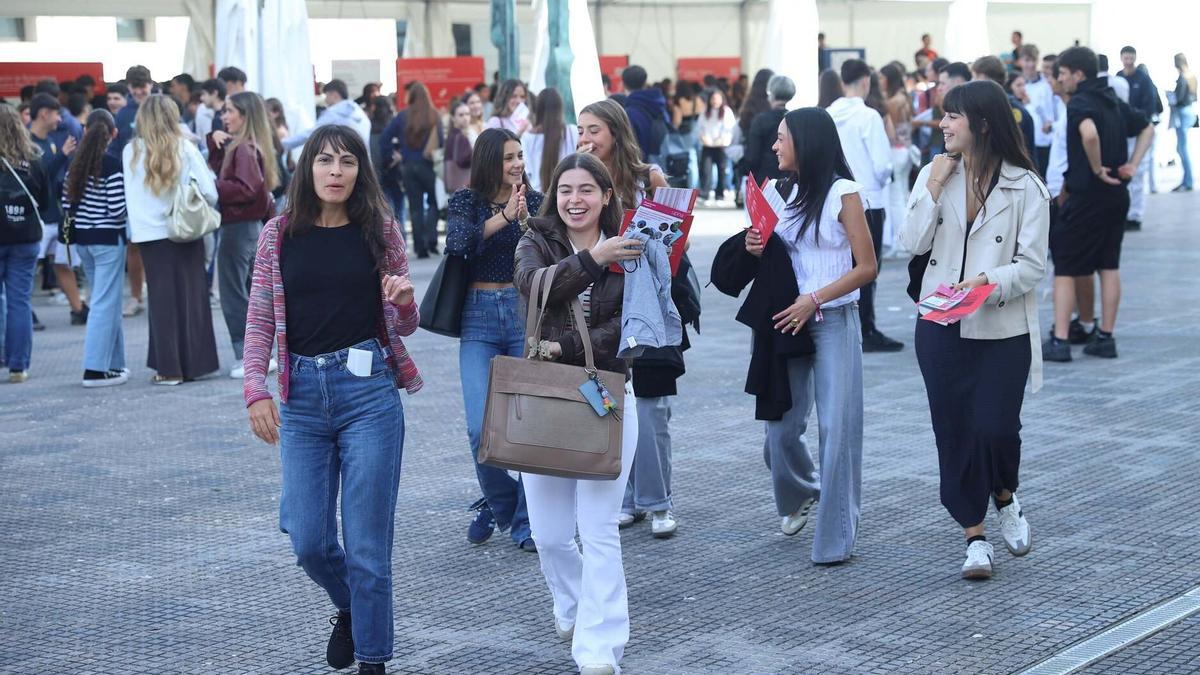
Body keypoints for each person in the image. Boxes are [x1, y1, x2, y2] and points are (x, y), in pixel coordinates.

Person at [243, 124, 421, 675]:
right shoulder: (278, 234)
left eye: (347, 161)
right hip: (300, 397)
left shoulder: (379, 231)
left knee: (367, 547)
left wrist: (405, 302)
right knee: (309, 541)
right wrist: (255, 389)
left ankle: (373, 659)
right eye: (325, 161)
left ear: (360, 171)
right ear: (308, 169)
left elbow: (405, 324)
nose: (335, 172)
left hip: (367, 395)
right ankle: (350, 606)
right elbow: (260, 317)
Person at [900, 79, 1050, 580]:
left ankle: (1004, 492)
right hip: (939, 324)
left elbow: (1032, 266)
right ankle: (975, 537)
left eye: (952, 115)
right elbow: (909, 242)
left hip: (1001, 326)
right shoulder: (934, 173)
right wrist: (933, 186)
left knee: (997, 427)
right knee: (954, 430)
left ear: (982, 124)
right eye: (943, 115)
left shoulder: (1026, 186)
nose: (942, 124)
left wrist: (988, 282)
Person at [513, 152, 643, 675]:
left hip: (606, 395)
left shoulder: (631, 247)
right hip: (544, 396)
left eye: (586, 189)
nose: (574, 200)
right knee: (549, 535)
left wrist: (565, 348)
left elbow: (630, 327)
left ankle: (599, 650)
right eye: (565, 189)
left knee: (599, 528)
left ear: (606, 195)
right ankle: (572, 603)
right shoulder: (535, 239)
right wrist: (593, 259)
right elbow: (533, 286)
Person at [742, 104, 876, 565]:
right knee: (780, 429)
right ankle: (801, 490)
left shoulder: (844, 193)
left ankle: (836, 539)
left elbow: (867, 267)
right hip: (787, 321)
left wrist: (815, 299)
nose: (774, 145)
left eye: (782, 137)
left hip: (833, 318)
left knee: (837, 429)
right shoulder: (779, 190)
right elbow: (775, 253)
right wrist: (754, 245)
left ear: (806, 141)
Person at [444, 127, 544, 551]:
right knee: (478, 427)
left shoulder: (536, 202)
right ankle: (501, 503)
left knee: (525, 424)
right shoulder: (467, 201)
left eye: (520, 155)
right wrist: (504, 217)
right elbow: (458, 243)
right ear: (489, 162)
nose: (518, 163)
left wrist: (526, 219)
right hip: (478, 318)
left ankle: (526, 522)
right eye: (508, 157)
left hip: (524, 315)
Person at [1043, 47, 1153, 363]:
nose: (1061, 79)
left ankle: (1060, 339)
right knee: (1108, 265)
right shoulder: (1111, 99)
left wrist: (1095, 168)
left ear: (1078, 74)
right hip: (1117, 195)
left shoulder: (1080, 102)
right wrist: (1132, 164)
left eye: (1064, 74)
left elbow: (1089, 134)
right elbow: (1147, 127)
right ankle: (1105, 337)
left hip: (1086, 196)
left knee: (1066, 267)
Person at [123, 95, 221, 385]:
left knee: (161, 301)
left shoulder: (130, 151)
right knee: (192, 298)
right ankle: (195, 364)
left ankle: (168, 368)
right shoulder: (184, 147)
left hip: (148, 236)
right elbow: (210, 191)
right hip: (184, 228)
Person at [828, 60, 901, 352]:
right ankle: (867, 328)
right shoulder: (869, 116)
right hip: (869, 198)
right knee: (868, 268)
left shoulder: (828, 114)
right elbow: (882, 164)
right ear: (866, 81)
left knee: (842, 266)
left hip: (835, 197)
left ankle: (847, 326)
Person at [207, 91, 280, 378]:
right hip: (248, 227)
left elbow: (245, 188)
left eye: (229, 111)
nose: (224, 116)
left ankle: (247, 356)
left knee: (235, 295)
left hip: (239, 227)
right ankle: (259, 355)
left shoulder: (244, 148)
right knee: (250, 294)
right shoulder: (248, 145)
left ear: (244, 115)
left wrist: (210, 185)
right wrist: (215, 145)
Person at [61, 110, 129, 387]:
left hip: (83, 242)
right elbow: (117, 210)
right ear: (113, 133)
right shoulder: (111, 165)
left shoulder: (75, 165)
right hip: (108, 240)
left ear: (85, 131)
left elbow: (66, 205)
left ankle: (114, 364)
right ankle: (95, 369)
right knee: (104, 303)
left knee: (106, 300)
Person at [0, 104, 53, 383]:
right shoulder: (35, 159)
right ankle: (18, 366)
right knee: (20, 301)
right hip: (26, 238)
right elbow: (45, 203)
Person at [379, 82, 443, 258]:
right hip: (428, 166)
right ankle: (431, 240)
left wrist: (392, 155)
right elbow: (441, 141)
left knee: (415, 208)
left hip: (407, 167)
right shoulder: (434, 115)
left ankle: (419, 247)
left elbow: (384, 139)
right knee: (435, 202)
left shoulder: (402, 116)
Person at [1118, 46, 1161, 230]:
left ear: (1135, 58)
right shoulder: (1118, 78)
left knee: (1137, 173)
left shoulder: (1143, 79)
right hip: (1122, 134)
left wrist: (1139, 123)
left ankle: (1135, 215)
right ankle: (1124, 212)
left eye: (1131, 57)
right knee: (1122, 174)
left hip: (1138, 133)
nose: (1128, 61)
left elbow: (1149, 107)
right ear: (1121, 58)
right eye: (1125, 57)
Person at [973, 56, 1036, 163]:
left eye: (974, 77)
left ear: (983, 77)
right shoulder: (1008, 105)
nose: (972, 82)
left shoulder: (1007, 108)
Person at [880, 63, 914, 256]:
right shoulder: (904, 97)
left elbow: (890, 130)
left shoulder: (892, 101)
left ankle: (900, 242)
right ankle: (903, 241)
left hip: (896, 150)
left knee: (896, 199)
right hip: (906, 149)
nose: (880, 81)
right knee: (901, 196)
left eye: (882, 77)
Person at [283, 80, 372, 153]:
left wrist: (283, 144)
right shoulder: (358, 111)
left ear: (334, 95)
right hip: (361, 159)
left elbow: (312, 134)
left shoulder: (334, 112)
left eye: (326, 95)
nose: (325, 100)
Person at [522, 87, 578, 193]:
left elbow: (526, 173)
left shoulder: (527, 137)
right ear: (560, 108)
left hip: (537, 195)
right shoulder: (572, 131)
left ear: (538, 109)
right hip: (568, 192)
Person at [744, 75, 796, 183]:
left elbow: (752, 157)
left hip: (764, 180)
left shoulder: (760, 120)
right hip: (789, 179)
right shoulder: (795, 119)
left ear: (770, 93)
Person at [618, 66, 672, 166]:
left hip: (642, 166)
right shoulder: (659, 103)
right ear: (645, 82)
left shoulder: (630, 111)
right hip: (662, 161)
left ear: (623, 84)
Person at [1018, 45, 1057, 177]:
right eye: (1027, 60)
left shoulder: (1048, 83)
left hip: (1046, 140)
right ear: (1020, 61)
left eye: (1033, 60)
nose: (1031, 64)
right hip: (1026, 141)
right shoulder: (1017, 84)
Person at [697, 89, 736, 206]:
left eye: (717, 99)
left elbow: (730, 128)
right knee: (706, 170)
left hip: (721, 145)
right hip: (707, 145)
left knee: (722, 171)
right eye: (713, 99)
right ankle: (705, 194)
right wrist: (703, 138)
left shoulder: (727, 111)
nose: (715, 101)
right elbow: (700, 127)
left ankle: (720, 195)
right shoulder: (705, 111)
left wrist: (722, 139)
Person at [113, 65, 153, 157]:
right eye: (134, 87)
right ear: (128, 87)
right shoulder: (122, 114)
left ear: (151, 84)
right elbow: (116, 147)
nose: (138, 92)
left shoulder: (165, 110)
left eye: (142, 86)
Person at [1170, 53, 1196, 192]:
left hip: (1182, 112)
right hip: (1190, 111)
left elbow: (1179, 98)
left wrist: (1171, 97)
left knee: (1182, 148)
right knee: (1182, 148)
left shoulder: (1183, 77)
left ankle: (1188, 181)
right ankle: (1187, 180)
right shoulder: (1191, 76)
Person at [671, 81, 704, 189]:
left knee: (691, 160)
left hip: (685, 133)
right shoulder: (697, 99)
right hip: (698, 130)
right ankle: (704, 185)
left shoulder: (678, 101)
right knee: (700, 159)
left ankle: (693, 187)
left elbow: (677, 121)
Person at [443, 100, 473, 193]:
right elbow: (462, 160)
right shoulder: (460, 136)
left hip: (454, 185)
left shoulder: (452, 135)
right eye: (461, 115)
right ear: (453, 117)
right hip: (463, 185)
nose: (465, 118)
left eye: (467, 114)